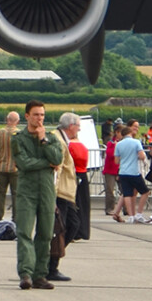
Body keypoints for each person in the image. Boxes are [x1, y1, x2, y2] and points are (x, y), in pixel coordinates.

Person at [12, 101, 64, 289]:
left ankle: (40, 275)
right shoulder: (18, 139)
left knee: (45, 233)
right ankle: (26, 273)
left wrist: (44, 141)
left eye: (42, 115)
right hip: (27, 191)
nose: (39, 118)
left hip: (47, 191)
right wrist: (46, 163)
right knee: (24, 232)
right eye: (35, 115)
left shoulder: (51, 137)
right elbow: (24, 163)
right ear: (27, 116)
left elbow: (58, 158)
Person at [46, 112, 85, 282]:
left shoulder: (62, 139)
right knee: (60, 229)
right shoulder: (59, 141)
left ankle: (51, 262)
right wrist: (52, 194)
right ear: (70, 127)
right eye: (78, 126)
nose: (79, 129)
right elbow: (57, 169)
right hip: (60, 193)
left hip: (66, 193)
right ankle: (50, 265)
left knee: (72, 225)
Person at [111, 122, 148, 223]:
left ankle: (131, 216)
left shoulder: (118, 144)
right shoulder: (136, 142)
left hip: (123, 171)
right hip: (134, 171)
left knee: (127, 194)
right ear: (130, 133)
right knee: (145, 192)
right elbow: (142, 156)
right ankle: (139, 213)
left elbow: (116, 161)